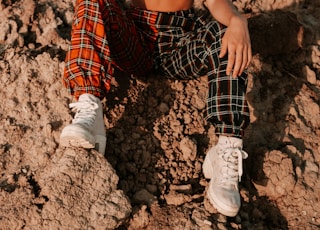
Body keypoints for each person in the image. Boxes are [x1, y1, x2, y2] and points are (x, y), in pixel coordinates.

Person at [59, 0, 252, 217]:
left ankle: (228, 144)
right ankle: (89, 106)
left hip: (180, 45)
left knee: (225, 33)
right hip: (134, 40)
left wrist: (237, 20)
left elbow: (216, 2)